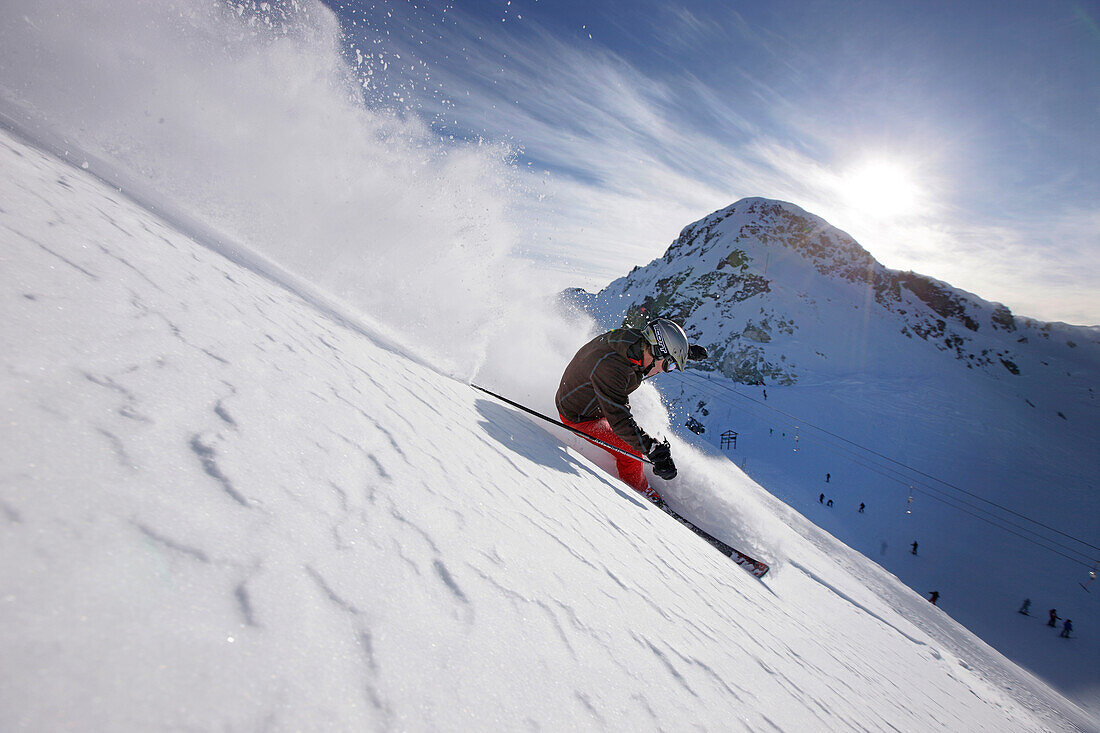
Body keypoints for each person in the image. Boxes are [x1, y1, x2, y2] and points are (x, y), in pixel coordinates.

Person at [556, 319, 705, 502]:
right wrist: (653, 449)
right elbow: (619, 420)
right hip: (580, 416)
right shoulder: (612, 368)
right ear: (658, 353)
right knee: (630, 452)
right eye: (669, 365)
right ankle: (640, 494)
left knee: (634, 438)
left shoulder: (636, 343)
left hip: (595, 403)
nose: (667, 371)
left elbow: (660, 343)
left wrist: (685, 352)